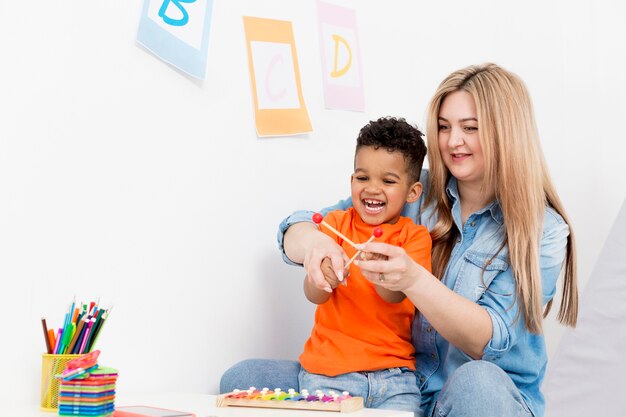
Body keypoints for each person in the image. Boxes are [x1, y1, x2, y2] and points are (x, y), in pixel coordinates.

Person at [220, 63, 578, 417]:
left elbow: (488, 341)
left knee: (478, 382)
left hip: (475, 400)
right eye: (444, 127)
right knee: (243, 379)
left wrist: (413, 280)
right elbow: (299, 225)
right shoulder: (410, 190)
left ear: (507, 133)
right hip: (399, 384)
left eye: (470, 128)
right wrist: (315, 245)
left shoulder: (543, 229)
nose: (453, 142)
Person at [300, 117, 432, 414]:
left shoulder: (415, 238)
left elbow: (396, 296)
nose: (372, 189)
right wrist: (322, 279)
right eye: (362, 178)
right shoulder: (334, 226)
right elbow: (314, 295)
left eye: (387, 181)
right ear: (351, 181)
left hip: (395, 379)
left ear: (412, 193)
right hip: (328, 374)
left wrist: (381, 271)